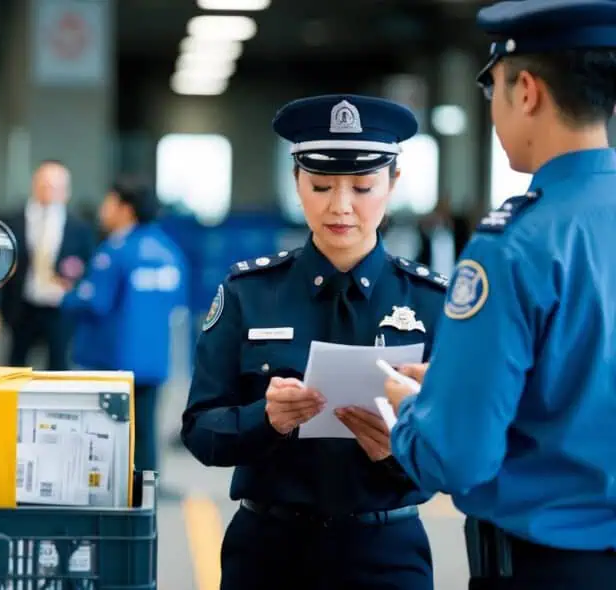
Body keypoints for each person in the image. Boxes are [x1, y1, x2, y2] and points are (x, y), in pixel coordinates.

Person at [384, 1, 616, 588]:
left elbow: (458, 455)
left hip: (550, 567)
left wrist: (408, 411)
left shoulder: (516, 244)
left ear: (528, 92)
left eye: (494, 91)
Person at [181, 94, 449, 590]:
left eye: (363, 186)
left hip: (386, 555)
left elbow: (460, 455)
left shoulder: (434, 304)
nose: (340, 206)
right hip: (268, 552)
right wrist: (264, 420)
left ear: (393, 184)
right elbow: (200, 429)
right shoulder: (249, 294)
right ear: (297, 183)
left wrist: (400, 449)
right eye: (321, 185)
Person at [61, 183, 187, 474]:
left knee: (106, 434)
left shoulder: (115, 252)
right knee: (145, 428)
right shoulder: (169, 251)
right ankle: (148, 487)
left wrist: (66, 296)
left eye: (109, 202)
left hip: (112, 359)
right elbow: (176, 303)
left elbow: (96, 303)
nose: (103, 210)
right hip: (153, 359)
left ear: (124, 208)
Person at [0, 160, 96, 370]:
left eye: (57, 187)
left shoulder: (79, 227)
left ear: (66, 191)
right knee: (15, 366)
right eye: (46, 185)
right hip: (21, 305)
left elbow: (89, 267)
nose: (51, 191)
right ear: (35, 184)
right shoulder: (11, 220)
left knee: (59, 367)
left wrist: (75, 285)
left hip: (60, 308)